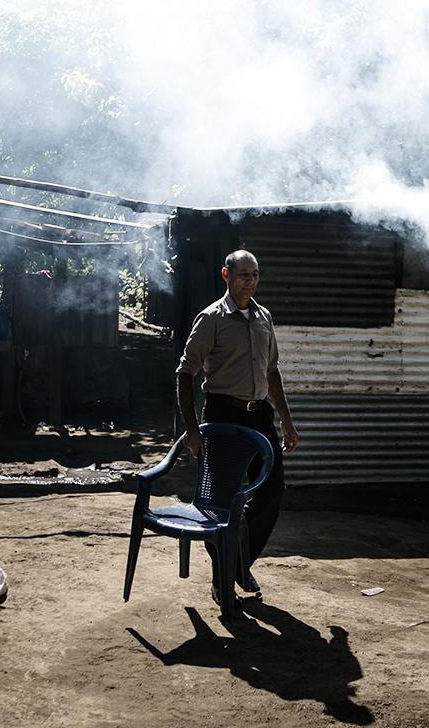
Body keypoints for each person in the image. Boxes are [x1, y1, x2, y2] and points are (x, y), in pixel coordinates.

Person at [175, 249, 300, 606]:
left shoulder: (264, 318)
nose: (250, 280)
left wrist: (286, 421)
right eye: (243, 274)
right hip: (223, 417)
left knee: (273, 489)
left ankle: (239, 562)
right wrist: (192, 428)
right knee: (220, 503)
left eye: (255, 274)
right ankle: (224, 578)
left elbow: (271, 371)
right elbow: (185, 373)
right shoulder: (211, 318)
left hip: (259, 415)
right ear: (225, 275)